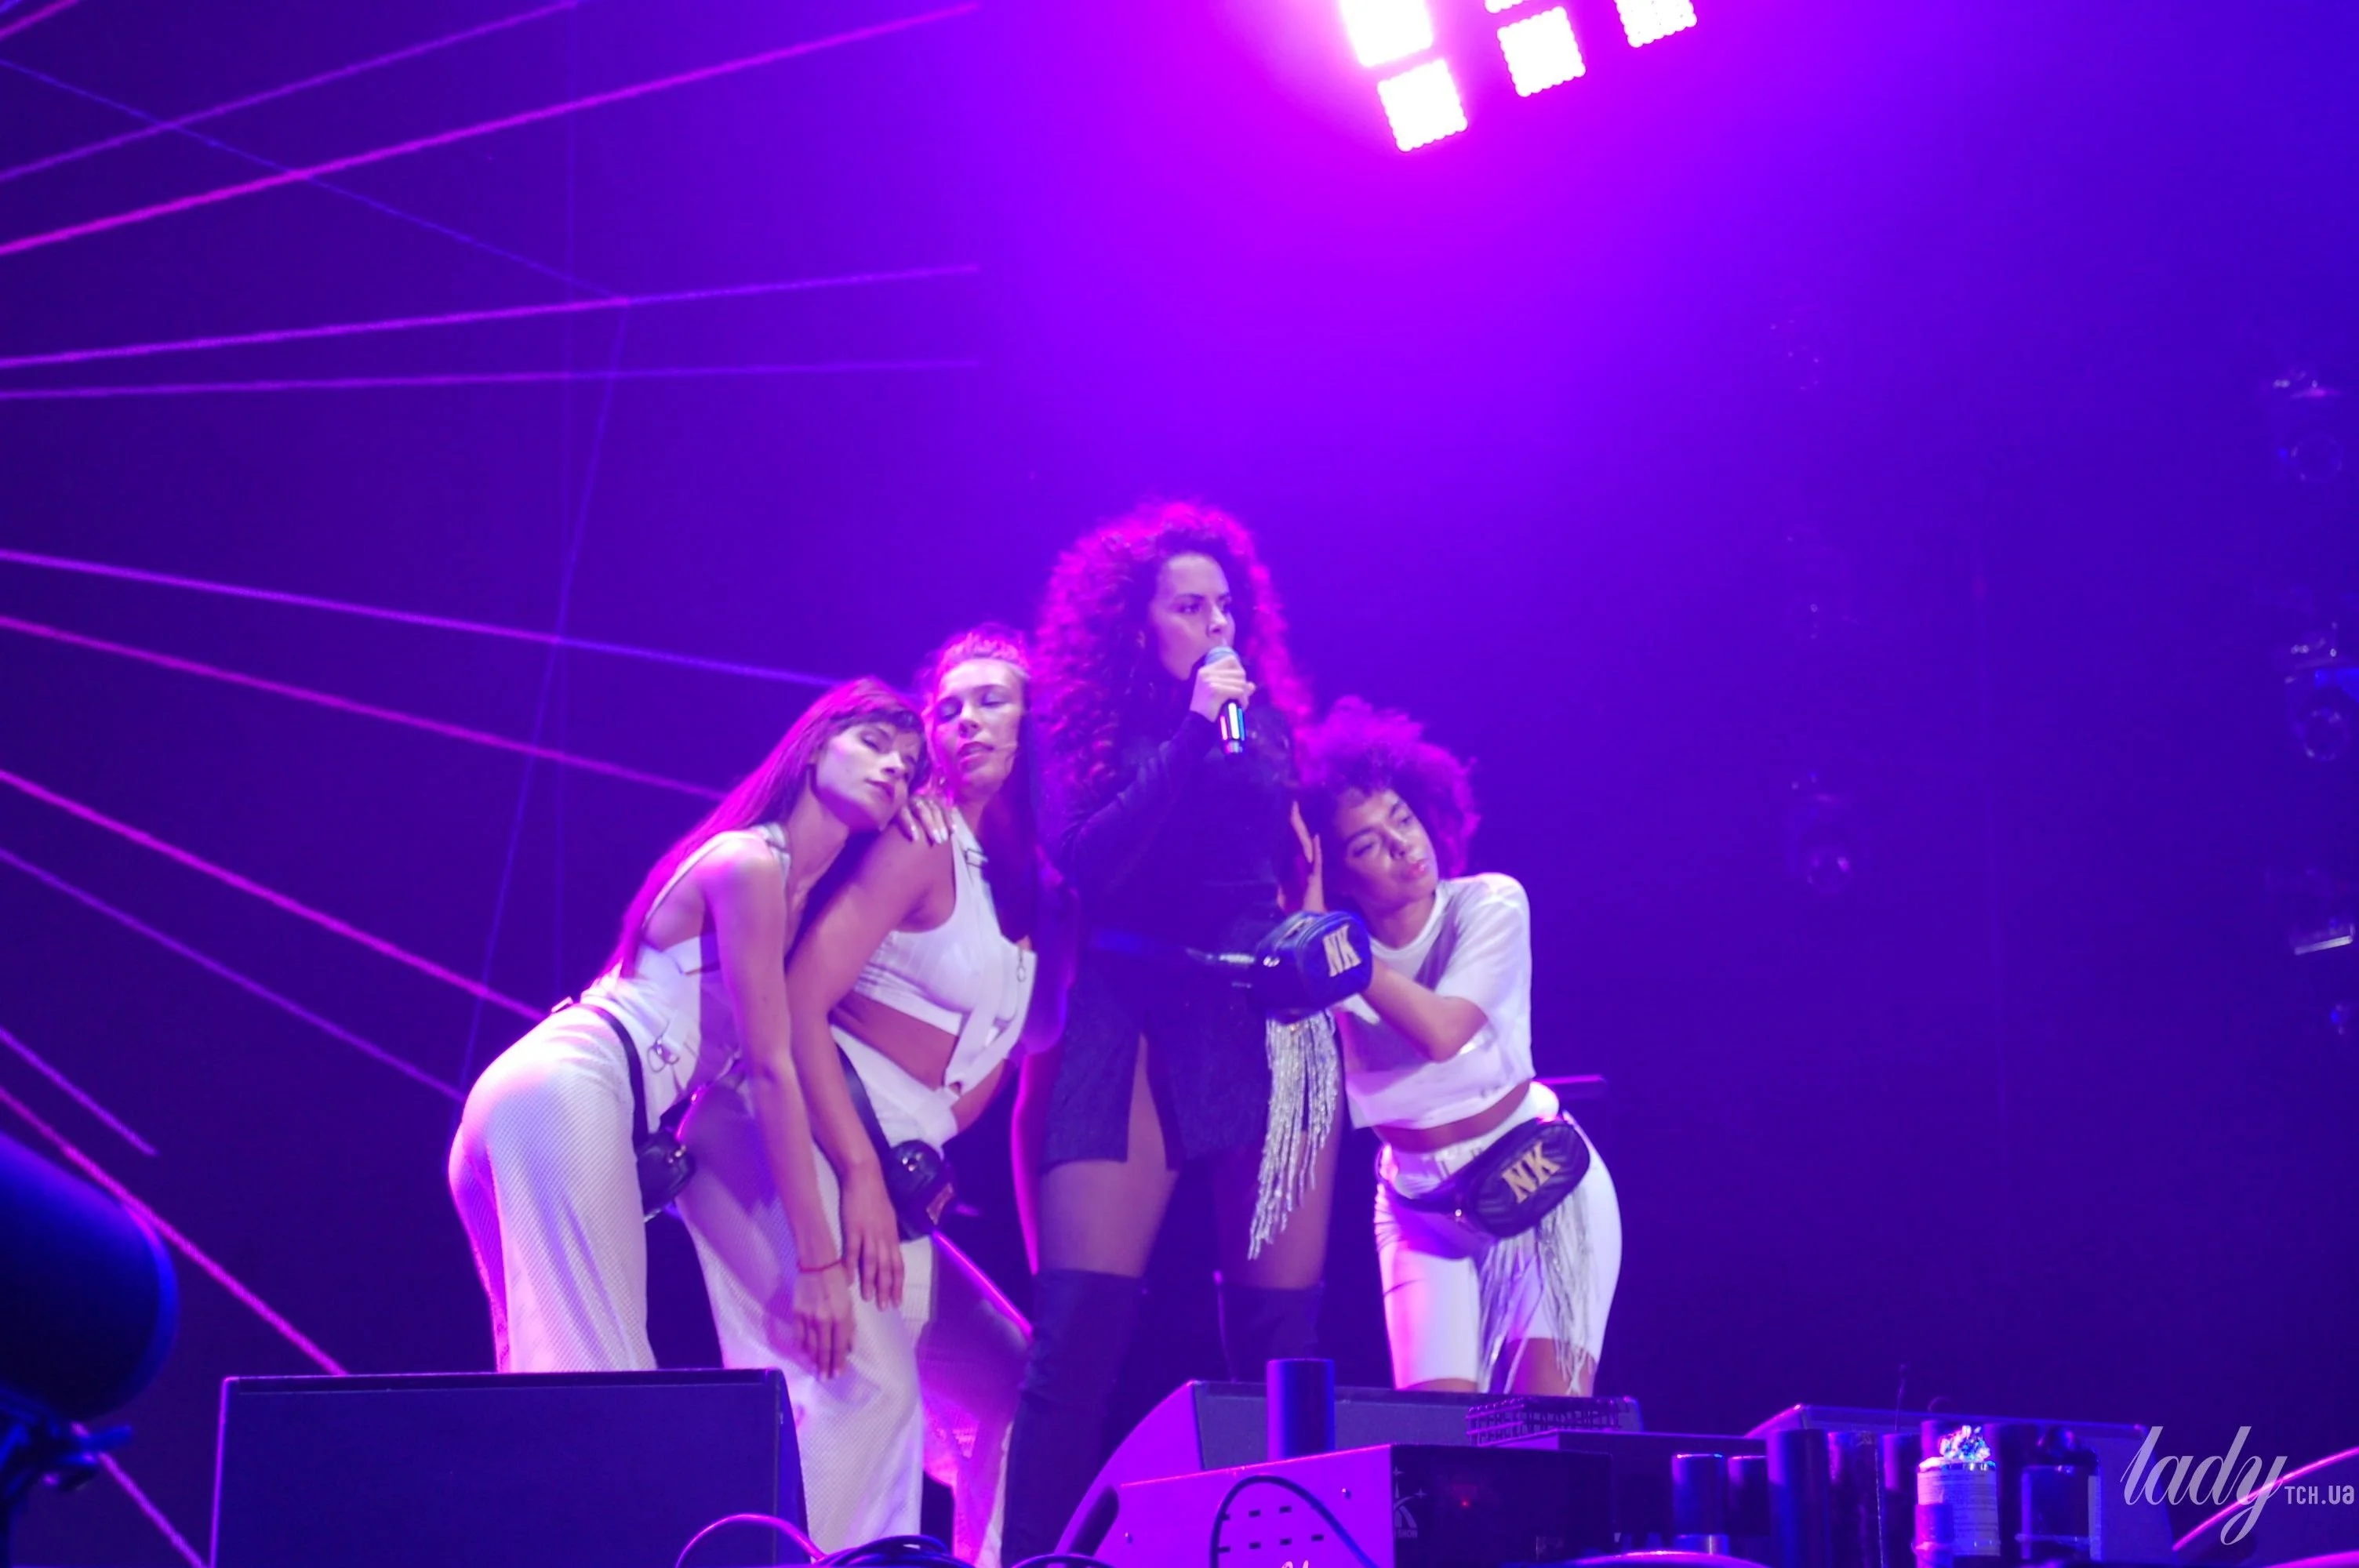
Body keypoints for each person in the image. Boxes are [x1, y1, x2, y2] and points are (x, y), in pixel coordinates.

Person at [672, 627, 1058, 1565]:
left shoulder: (1036, 888)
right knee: (865, 1387)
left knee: (1013, 1379)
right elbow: (799, 1001)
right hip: (810, 1130)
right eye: (949, 707)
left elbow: (1017, 1060)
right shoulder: (919, 840)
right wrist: (857, 1173)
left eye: (991, 701)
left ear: (1036, 725)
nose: (965, 721)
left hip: (895, 1167)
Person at [1001, 499, 1339, 1560]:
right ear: (1133, 619)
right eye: (1189, 606)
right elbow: (1089, 861)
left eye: (1224, 606)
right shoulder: (1077, 724)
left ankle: (1283, 1551)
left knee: (1281, 1346)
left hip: (1258, 1009)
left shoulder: (1262, 721)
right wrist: (1194, 730)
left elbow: (1292, 859)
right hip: (1131, 1005)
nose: (1215, 624)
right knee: (1077, 1336)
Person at [447, 678, 926, 1373]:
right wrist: (817, 1262)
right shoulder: (750, 865)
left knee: (543, 1385)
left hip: (540, 1094)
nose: (892, 770)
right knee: (599, 1382)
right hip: (568, 1092)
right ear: (814, 748)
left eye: (908, 768)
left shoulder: (782, 890)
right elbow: (771, 1069)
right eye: (874, 743)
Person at [1296, 697, 1622, 1396]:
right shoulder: (1329, 955)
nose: (1402, 845)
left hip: (1541, 1186)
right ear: (1337, 874)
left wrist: (1340, 950)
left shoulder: (1489, 903)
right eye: (1366, 845)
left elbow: (1443, 1032)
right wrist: (1310, 922)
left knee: (1542, 1436)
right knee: (1441, 1448)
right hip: (1417, 1213)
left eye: (1402, 818)